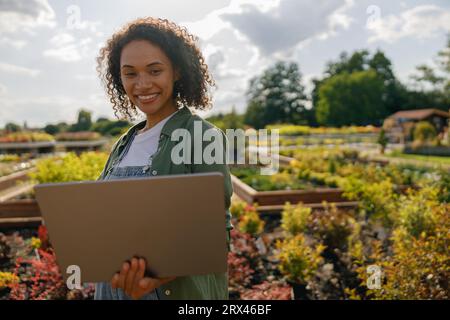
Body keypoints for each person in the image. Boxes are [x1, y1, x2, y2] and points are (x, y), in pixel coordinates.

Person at [94, 17, 233, 300]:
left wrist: (156, 278)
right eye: (130, 73)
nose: (142, 84)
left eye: (154, 70)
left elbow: (215, 236)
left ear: (177, 72)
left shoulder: (201, 136)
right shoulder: (124, 143)